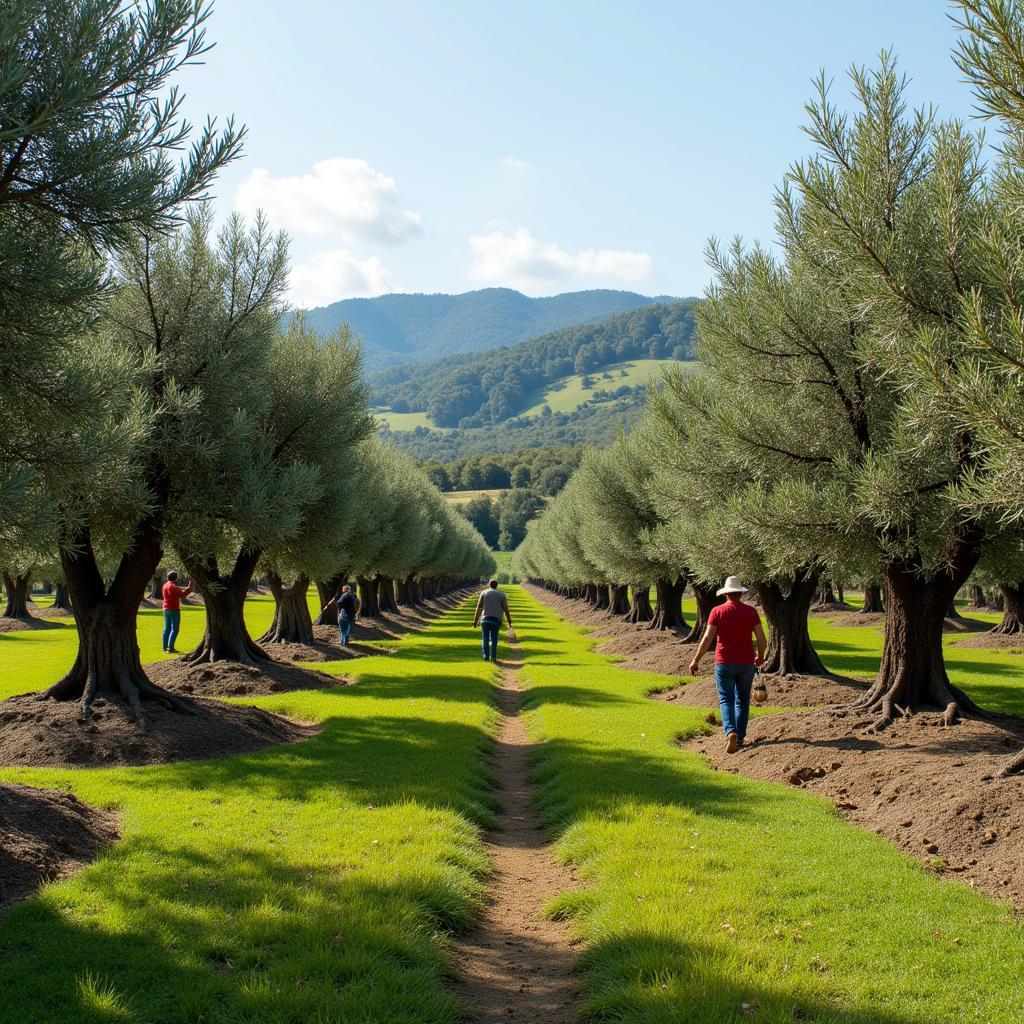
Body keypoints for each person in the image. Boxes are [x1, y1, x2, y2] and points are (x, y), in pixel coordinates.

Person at [688, 575, 766, 753]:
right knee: (743, 701)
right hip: (746, 662)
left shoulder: (717, 611)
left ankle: (730, 730)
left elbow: (708, 638)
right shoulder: (751, 612)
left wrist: (696, 660)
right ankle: (739, 738)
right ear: (740, 593)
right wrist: (760, 656)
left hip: (724, 662)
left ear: (726, 594)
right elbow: (762, 639)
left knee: (726, 699)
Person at [472, 578, 512, 663]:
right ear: (497, 586)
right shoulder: (502, 595)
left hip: (485, 619)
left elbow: (479, 608)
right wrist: (509, 622)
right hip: (496, 620)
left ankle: (486, 656)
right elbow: (506, 610)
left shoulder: (484, 593)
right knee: (494, 639)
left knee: (485, 638)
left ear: (488, 584)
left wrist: (475, 621)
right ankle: (493, 657)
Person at [161, 570, 193, 653]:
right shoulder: (173, 587)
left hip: (165, 608)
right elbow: (182, 595)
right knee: (175, 629)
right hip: (173, 609)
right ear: (176, 578)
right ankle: (170, 648)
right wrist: (189, 588)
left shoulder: (166, 584)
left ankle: (165, 647)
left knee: (166, 628)